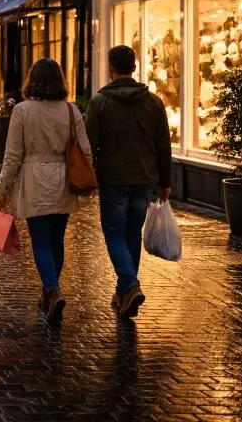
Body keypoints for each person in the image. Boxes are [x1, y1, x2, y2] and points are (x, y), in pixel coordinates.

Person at [0, 59, 91, 323]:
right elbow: (85, 150)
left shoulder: (23, 111)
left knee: (40, 240)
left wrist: (2, 187)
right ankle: (50, 292)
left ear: (32, 79)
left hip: (35, 180)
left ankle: (51, 289)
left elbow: (13, 155)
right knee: (57, 239)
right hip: (63, 180)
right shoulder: (71, 111)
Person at [86, 45, 172, 320]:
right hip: (144, 179)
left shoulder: (99, 103)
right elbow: (163, 145)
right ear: (134, 68)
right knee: (132, 235)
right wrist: (165, 180)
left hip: (113, 180)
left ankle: (131, 285)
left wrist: (89, 176)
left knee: (114, 234)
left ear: (111, 69)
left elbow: (90, 146)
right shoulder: (153, 102)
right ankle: (124, 292)